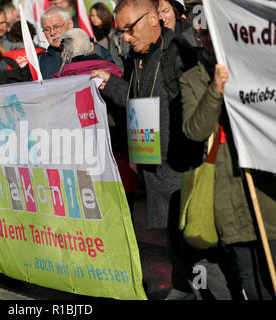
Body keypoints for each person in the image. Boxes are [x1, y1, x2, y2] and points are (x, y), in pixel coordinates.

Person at [91, 0, 204, 300]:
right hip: (152, 162)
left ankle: (203, 289)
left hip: (182, 163)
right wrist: (109, 83)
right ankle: (183, 286)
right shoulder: (134, 57)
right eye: (121, 32)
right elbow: (133, 97)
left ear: (154, 19)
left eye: (130, 29)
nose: (125, 38)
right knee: (171, 234)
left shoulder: (179, 52)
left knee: (194, 235)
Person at [180, 27, 276, 300]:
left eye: (214, 30)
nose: (210, 38)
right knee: (252, 277)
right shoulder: (192, 79)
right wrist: (215, 90)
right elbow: (195, 131)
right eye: (203, 33)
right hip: (228, 193)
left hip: (267, 187)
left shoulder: (258, 65)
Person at [55, 28, 139, 214]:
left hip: (82, 158)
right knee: (124, 208)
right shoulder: (114, 71)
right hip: (118, 151)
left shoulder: (61, 80)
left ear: (66, 53)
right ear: (91, 46)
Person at [39, 6, 113, 79]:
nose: (52, 32)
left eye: (57, 26)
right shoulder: (39, 62)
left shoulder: (97, 51)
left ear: (70, 24)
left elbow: (113, 82)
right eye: (46, 29)